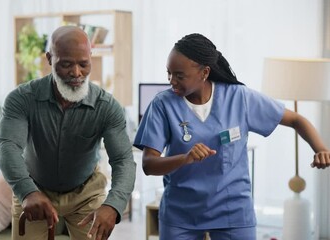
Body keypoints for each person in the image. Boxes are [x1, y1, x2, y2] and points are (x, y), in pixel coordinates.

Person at [133, 33, 330, 240]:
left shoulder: (239, 98)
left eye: (179, 75)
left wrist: (321, 149)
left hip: (232, 210)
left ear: (204, 72)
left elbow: (296, 120)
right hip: (181, 213)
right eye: (169, 73)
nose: (172, 81)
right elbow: (149, 164)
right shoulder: (162, 105)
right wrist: (185, 158)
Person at [0, 25, 136, 240]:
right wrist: (27, 192)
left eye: (83, 64)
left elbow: (124, 160)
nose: (76, 73)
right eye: (66, 64)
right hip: (34, 189)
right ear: (49, 58)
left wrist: (114, 205)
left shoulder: (107, 107)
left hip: (86, 193)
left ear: (91, 56)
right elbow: (8, 148)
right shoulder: (21, 99)